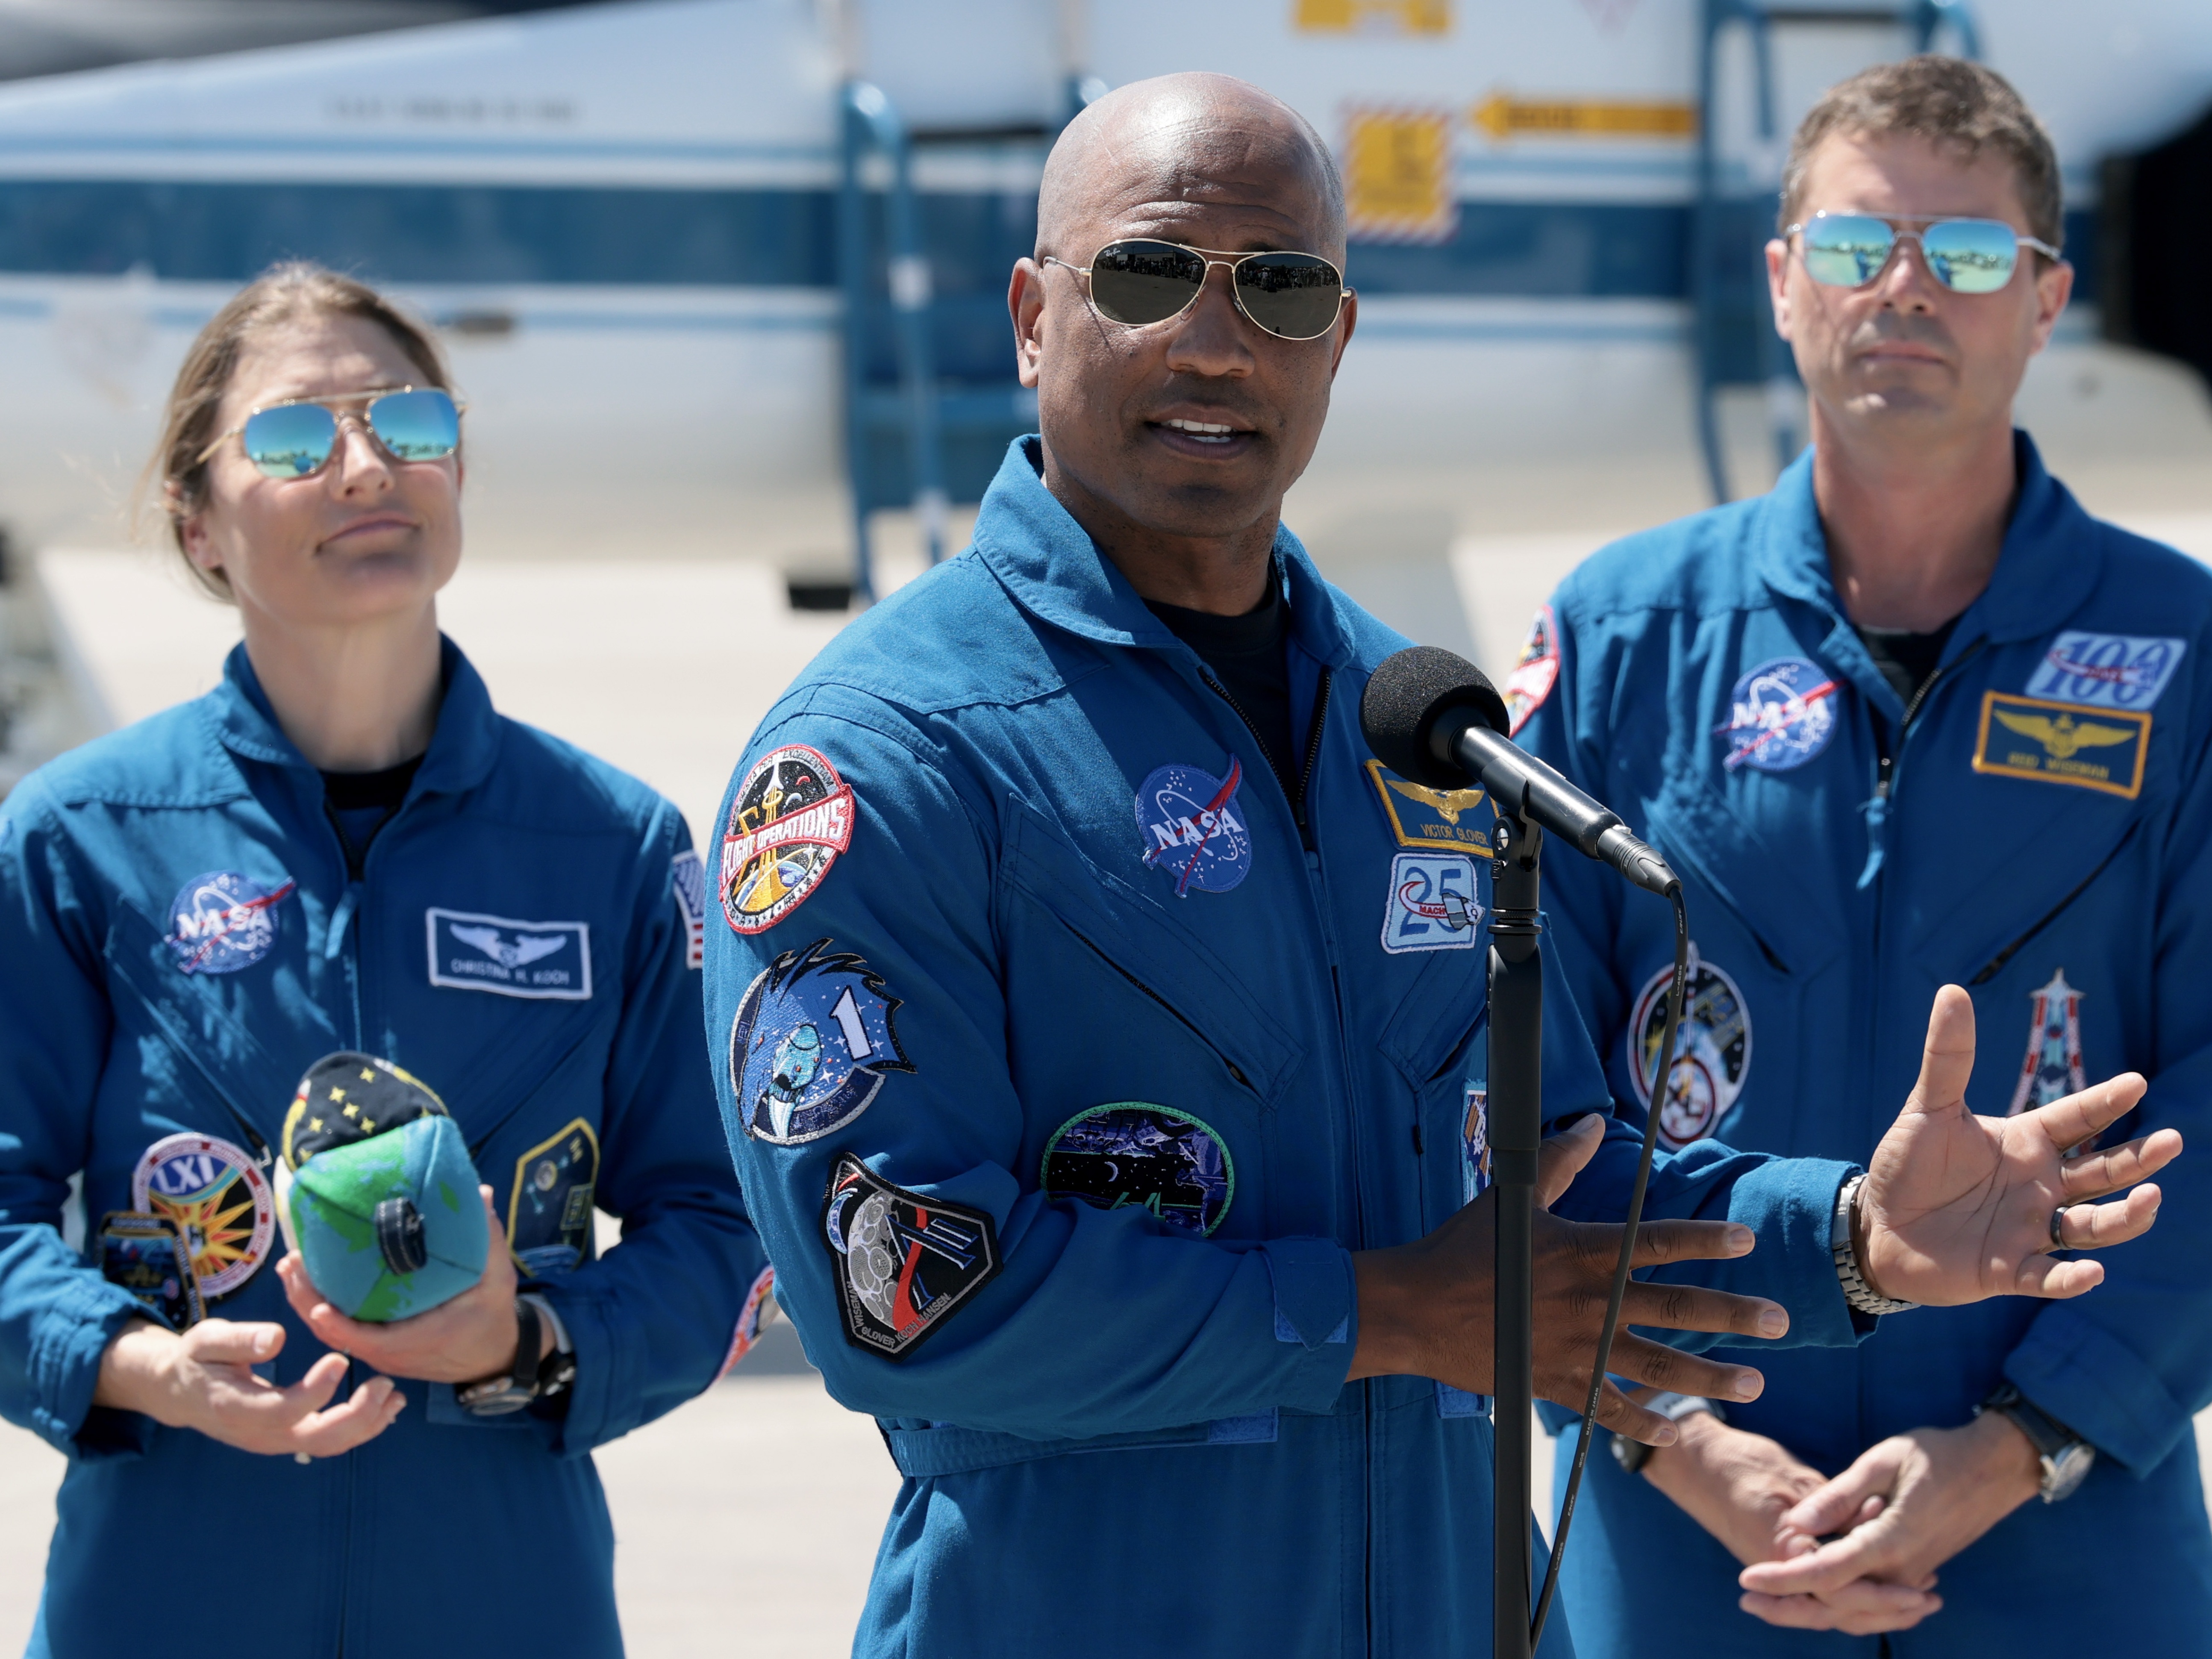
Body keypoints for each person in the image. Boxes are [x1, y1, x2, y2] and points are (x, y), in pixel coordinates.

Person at [700, 73, 2174, 1658]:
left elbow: (1536, 1185)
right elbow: (902, 1301)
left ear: (1338, 343)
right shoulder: (888, 755)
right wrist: (1382, 1315)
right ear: (1031, 317)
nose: (1213, 341)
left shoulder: (1421, 732)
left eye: (1280, 288)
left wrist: (1853, 1240)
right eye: (1146, 276)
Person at [1513, 56, 2212, 1656]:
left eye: (1966, 255)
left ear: (2045, 303)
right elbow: (1519, 1089)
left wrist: (2018, 1445)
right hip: (1678, 1534)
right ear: (1780, 283)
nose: (1904, 290)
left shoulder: (2180, 654)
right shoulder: (1622, 640)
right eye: (1852, 247)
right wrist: (1672, 1437)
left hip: (2066, 1524)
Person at [0, 263, 770, 1658]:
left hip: (503, 1604)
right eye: (297, 438)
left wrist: (528, 1340)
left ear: (459, 467)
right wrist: (146, 1369)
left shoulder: (611, 845)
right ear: (199, 527)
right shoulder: (78, 840)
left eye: (410, 424)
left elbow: (725, 1223)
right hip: (162, 1603)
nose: (366, 465)